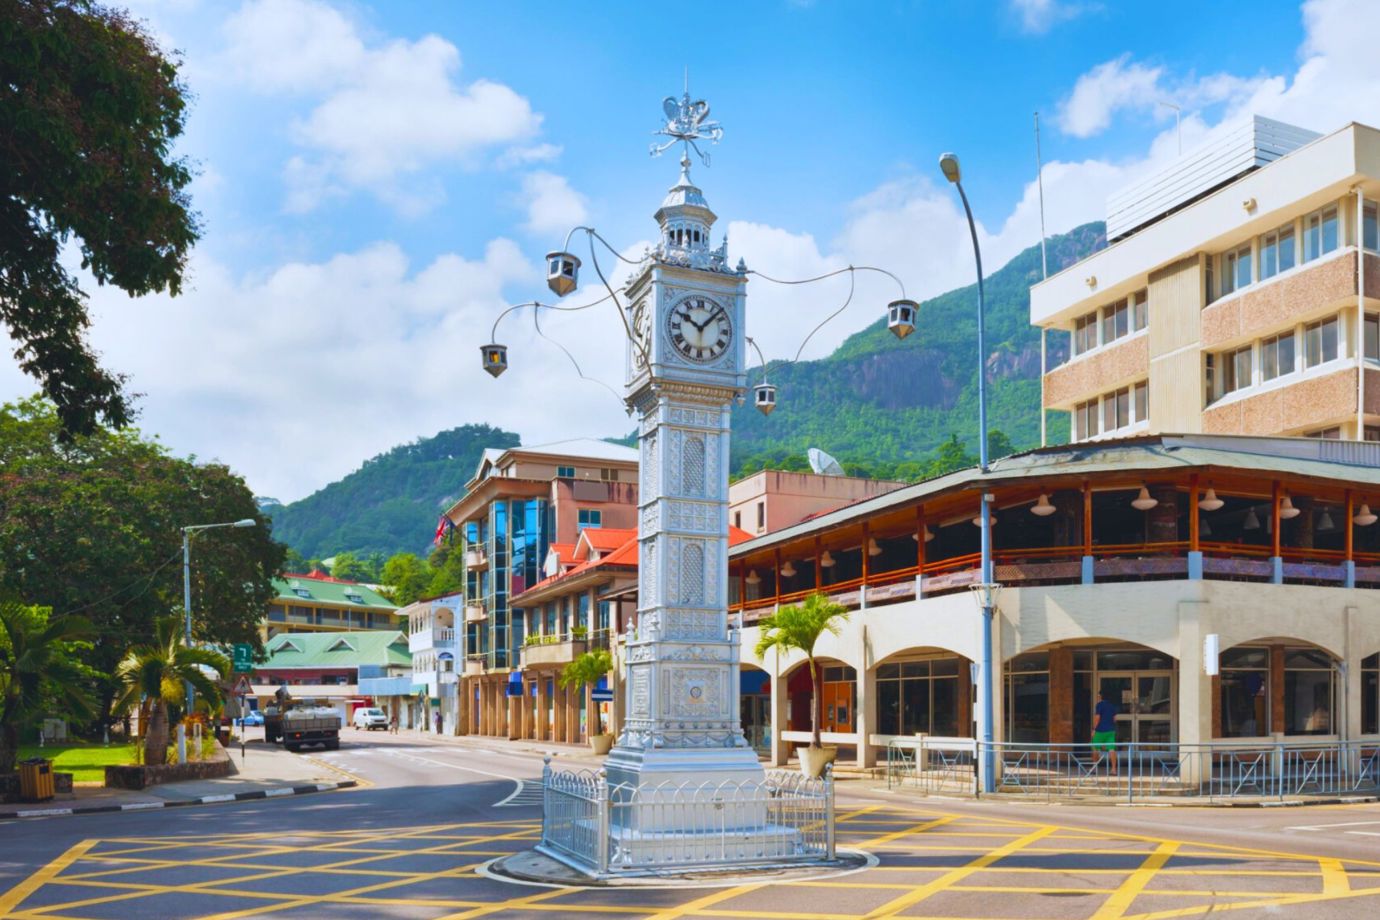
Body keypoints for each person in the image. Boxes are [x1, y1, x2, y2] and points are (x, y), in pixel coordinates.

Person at [1093, 690, 1119, 775]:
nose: (1098, 697)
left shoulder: (1099, 705)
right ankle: (1114, 769)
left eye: (1098, 695)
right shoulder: (1112, 706)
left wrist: (1094, 729)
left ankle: (1094, 768)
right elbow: (1114, 719)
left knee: (1095, 748)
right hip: (1110, 731)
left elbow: (1097, 718)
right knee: (1111, 749)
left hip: (1100, 731)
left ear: (1101, 696)